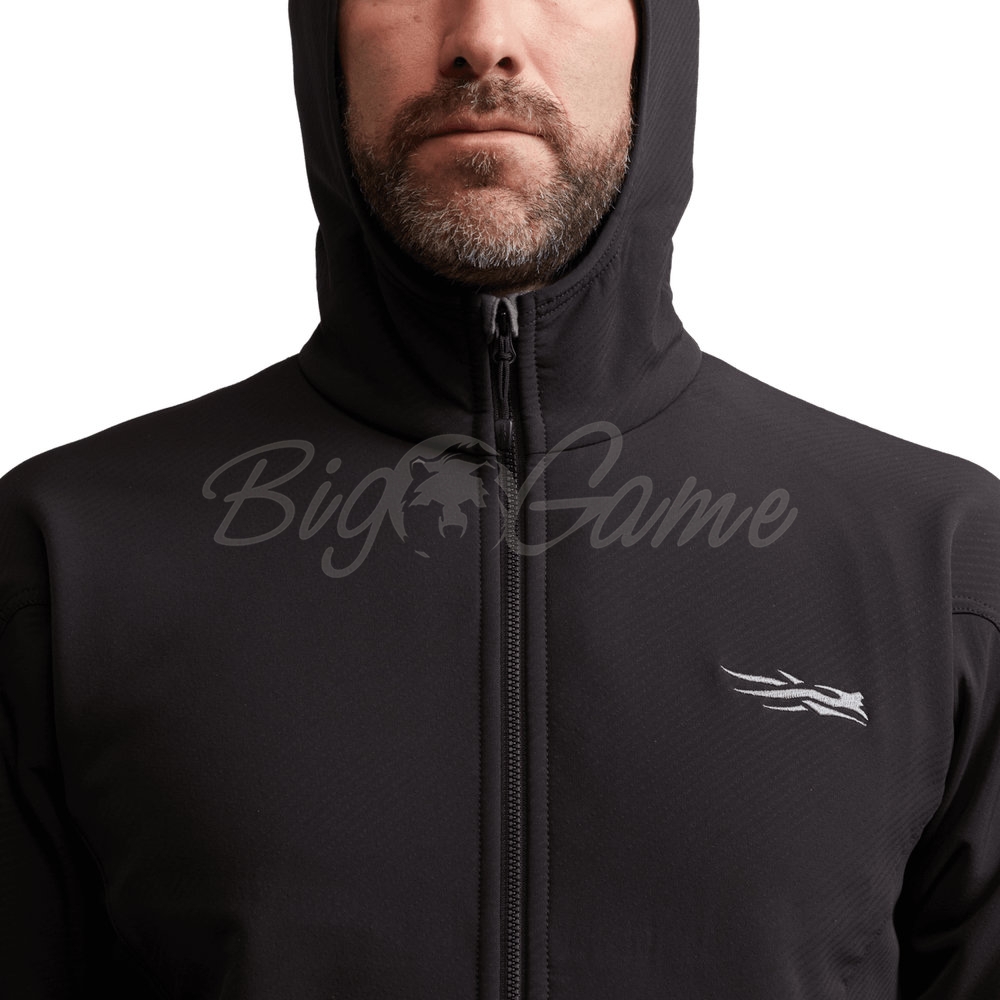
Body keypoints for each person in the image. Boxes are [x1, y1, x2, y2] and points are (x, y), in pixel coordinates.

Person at [1, 1, 997, 998]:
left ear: (658, 39)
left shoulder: (938, 569)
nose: (484, 36)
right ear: (323, 39)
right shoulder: (63, 562)